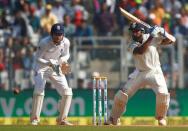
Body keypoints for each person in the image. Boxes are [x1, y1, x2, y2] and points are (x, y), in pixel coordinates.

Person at [107, 22, 176, 126]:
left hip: (155, 71)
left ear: (142, 31)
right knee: (121, 95)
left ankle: (161, 118)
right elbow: (141, 51)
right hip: (140, 73)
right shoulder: (132, 44)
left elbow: (170, 41)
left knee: (163, 94)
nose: (134, 34)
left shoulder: (151, 37)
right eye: (133, 32)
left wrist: (163, 32)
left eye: (136, 31)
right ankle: (113, 118)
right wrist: (152, 36)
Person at [30, 23, 73, 125]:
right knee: (39, 90)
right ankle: (35, 119)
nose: (58, 37)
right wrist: (48, 62)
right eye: (56, 34)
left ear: (63, 34)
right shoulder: (44, 42)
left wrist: (62, 59)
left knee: (67, 92)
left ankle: (62, 119)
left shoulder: (66, 42)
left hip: (55, 66)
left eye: (60, 34)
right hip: (41, 67)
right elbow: (37, 58)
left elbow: (67, 54)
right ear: (51, 34)